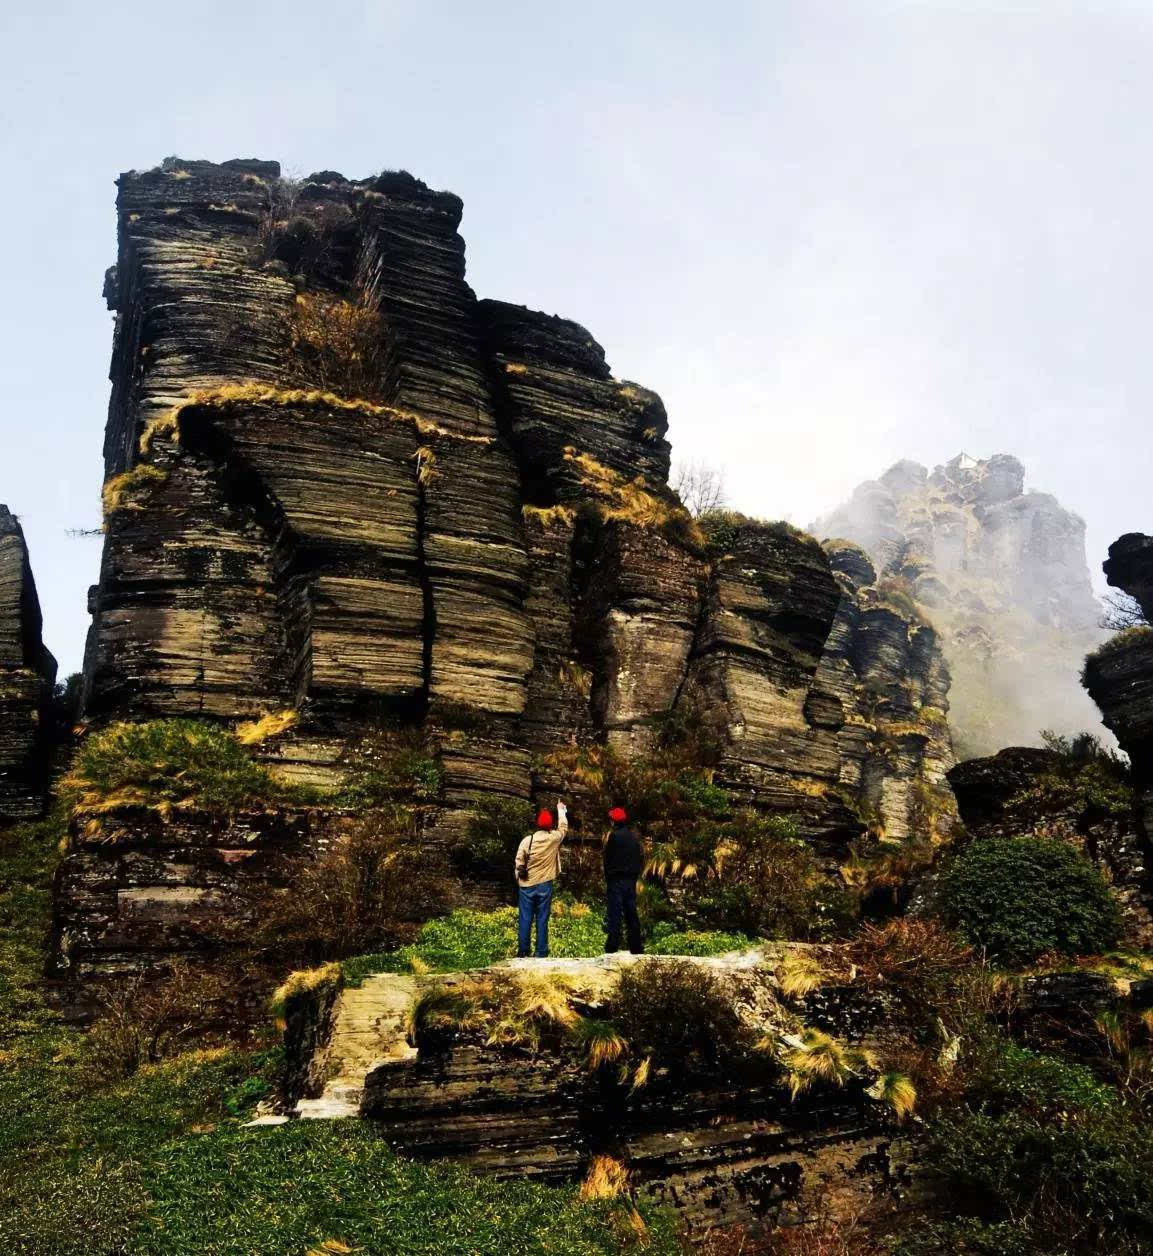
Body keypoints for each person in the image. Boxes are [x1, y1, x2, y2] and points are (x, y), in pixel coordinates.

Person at [514, 799, 568, 958]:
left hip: (526, 885)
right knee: (542, 919)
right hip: (545, 884)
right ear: (550, 825)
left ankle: (523, 951)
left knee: (525, 918)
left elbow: (519, 861)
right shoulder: (554, 839)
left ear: (537, 824)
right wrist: (561, 810)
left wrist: (519, 878)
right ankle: (541, 952)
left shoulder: (527, 840)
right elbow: (563, 828)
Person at [603, 806, 644, 954]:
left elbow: (607, 859)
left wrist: (608, 876)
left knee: (615, 912)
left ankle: (612, 945)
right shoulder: (634, 838)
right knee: (631, 912)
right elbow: (640, 858)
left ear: (614, 822)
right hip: (630, 880)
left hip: (616, 879)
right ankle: (636, 946)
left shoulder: (614, 837)